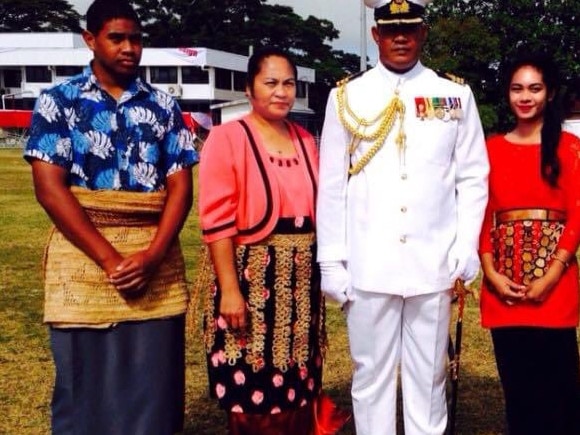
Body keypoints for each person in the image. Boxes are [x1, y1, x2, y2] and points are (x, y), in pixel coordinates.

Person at [23, 0, 198, 433]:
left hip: (153, 256)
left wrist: (153, 257)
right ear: (90, 39)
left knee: (153, 389)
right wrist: (109, 260)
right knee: (84, 387)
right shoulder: (57, 102)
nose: (129, 48)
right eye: (116, 38)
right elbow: (49, 188)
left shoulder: (163, 107)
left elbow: (180, 187)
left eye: (136, 39)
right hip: (83, 258)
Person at [316, 0, 489, 433]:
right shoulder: (346, 96)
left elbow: (473, 177)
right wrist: (332, 261)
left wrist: (465, 246)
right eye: (391, 29)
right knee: (370, 375)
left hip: (432, 263)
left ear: (423, 33)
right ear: (375, 35)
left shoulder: (454, 94)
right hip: (368, 264)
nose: (400, 37)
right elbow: (332, 185)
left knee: (428, 376)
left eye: (409, 28)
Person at [199, 47, 341, 435]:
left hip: (299, 288)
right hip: (250, 279)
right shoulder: (228, 137)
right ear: (249, 89)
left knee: (299, 384)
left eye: (289, 83)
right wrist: (230, 289)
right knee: (252, 386)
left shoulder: (304, 139)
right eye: (271, 83)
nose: (281, 92)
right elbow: (216, 219)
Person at [479, 51, 580, 435]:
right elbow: (480, 215)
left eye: (534, 89)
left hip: (555, 285)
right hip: (504, 284)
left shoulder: (569, 147)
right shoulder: (490, 149)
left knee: (561, 390)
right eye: (517, 88)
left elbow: (576, 214)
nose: (525, 97)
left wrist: (551, 275)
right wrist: (490, 271)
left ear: (549, 93)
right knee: (518, 390)